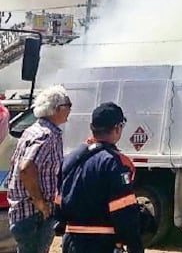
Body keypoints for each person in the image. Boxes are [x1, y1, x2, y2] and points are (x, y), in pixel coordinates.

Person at [59, 102, 143, 253]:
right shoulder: (115, 162)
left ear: (92, 127)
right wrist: (135, 246)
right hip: (101, 243)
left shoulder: (71, 158)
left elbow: (58, 204)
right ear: (117, 128)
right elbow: (123, 212)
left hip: (71, 240)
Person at [7, 85, 71, 253]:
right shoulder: (46, 135)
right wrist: (41, 204)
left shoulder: (32, 131)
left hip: (28, 214)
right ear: (57, 109)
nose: (70, 109)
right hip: (33, 216)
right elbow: (26, 168)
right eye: (68, 105)